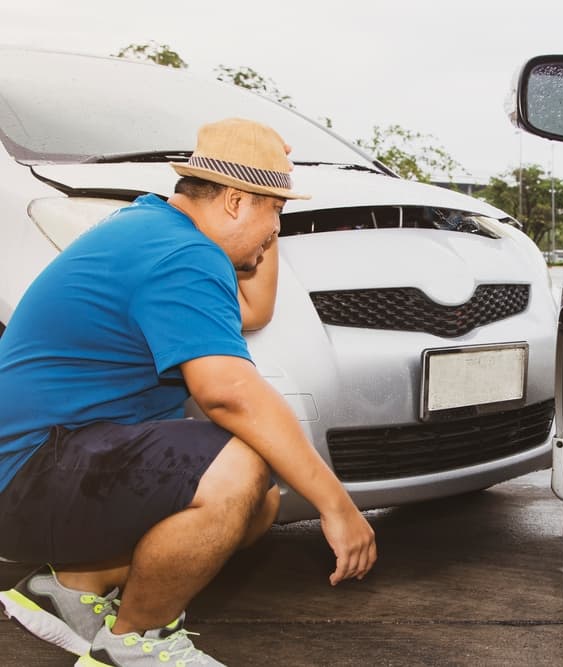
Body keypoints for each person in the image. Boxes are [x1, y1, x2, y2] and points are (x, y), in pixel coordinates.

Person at [0, 118, 376, 666]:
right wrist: (336, 505)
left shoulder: (156, 228)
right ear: (234, 201)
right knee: (242, 462)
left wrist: (267, 208)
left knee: (257, 502)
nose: (279, 229)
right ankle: (134, 644)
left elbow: (251, 311)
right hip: (30, 474)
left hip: (46, 468)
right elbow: (228, 393)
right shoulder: (182, 256)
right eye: (276, 209)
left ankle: (67, 591)